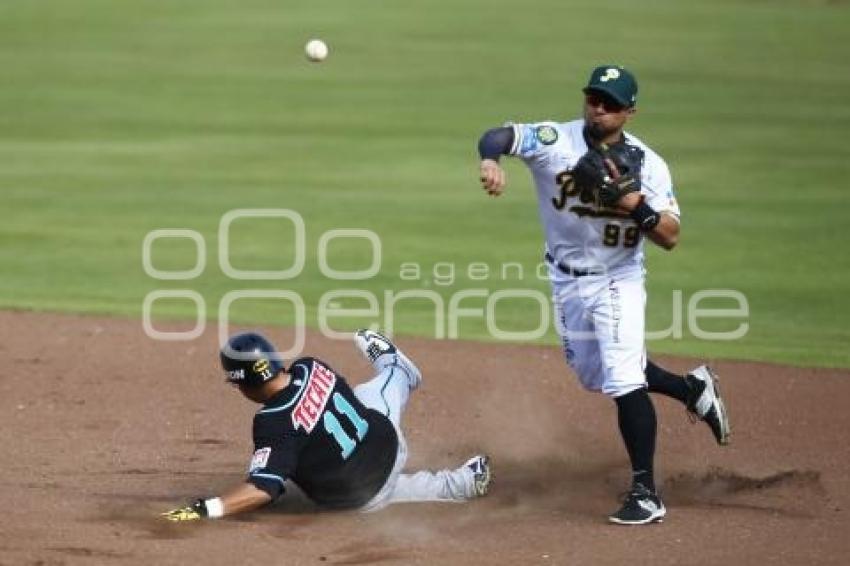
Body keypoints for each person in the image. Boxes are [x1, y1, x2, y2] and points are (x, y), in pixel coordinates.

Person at [476, 65, 730, 525]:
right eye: (593, 97)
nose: (598, 108)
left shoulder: (649, 165)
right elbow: (498, 135)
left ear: (629, 112)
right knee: (594, 375)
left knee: (622, 379)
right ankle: (691, 389)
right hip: (565, 279)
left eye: (610, 103)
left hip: (618, 278)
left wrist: (634, 203)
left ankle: (646, 494)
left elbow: (671, 236)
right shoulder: (555, 141)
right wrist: (491, 161)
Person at [162, 329, 491, 521]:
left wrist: (204, 510)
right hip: (385, 439)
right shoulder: (309, 366)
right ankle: (398, 371)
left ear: (242, 384)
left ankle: (463, 481)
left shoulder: (273, 424)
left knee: (386, 485)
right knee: (372, 394)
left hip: (363, 495)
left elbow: (262, 488)